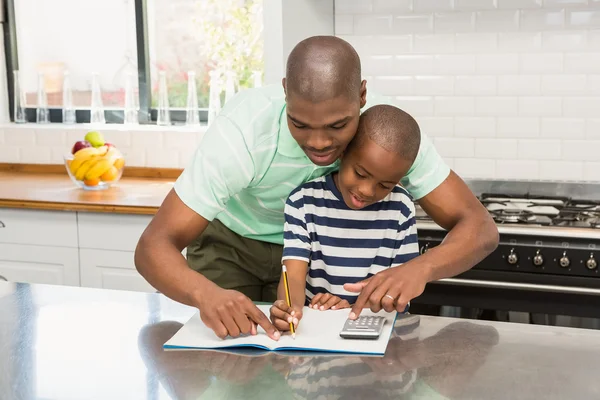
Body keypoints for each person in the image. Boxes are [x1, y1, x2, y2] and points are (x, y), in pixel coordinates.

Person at [134, 35, 499, 341]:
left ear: (361, 97)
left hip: (322, 258)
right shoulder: (242, 133)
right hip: (233, 247)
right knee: (234, 363)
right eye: (300, 124)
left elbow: (479, 228)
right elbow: (152, 247)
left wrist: (420, 269)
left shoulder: (386, 134)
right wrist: (205, 294)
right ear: (284, 94)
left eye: (338, 126)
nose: (320, 142)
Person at [269, 104, 421, 333]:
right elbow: (293, 277)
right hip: (318, 331)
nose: (368, 191)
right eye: (360, 174)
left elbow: (400, 293)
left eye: (385, 185)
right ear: (342, 153)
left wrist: (349, 307)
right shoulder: (303, 201)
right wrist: (289, 308)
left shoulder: (401, 207)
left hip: (375, 336)